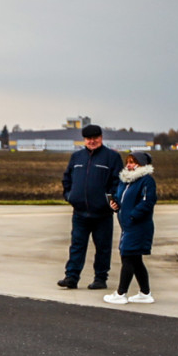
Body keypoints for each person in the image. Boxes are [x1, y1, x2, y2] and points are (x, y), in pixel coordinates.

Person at [58, 124, 123, 290]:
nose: (92, 141)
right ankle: (71, 277)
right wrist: (70, 196)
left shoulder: (112, 158)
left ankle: (100, 279)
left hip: (102, 214)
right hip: (80, 213)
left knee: (103, 247)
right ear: (84, 140)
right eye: (88, 139)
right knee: (77, 246)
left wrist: (110, 202)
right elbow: (67, 179)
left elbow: (117, 183)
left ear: (101, 138)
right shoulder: (77, 157)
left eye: (95, 138)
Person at [104, 151, 157, 305]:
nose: (128, 165)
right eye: (128, 161)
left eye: (133, 162)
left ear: (141, 165)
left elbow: (147, 202)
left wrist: (132, 216)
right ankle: (145, 293)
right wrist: (115, 205)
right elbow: (122, 201)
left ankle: (121, 293)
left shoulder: (147, 181)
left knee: (128, 256)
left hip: (139, 227)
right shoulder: (125, 181)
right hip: (128, 226)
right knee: (135, 259)